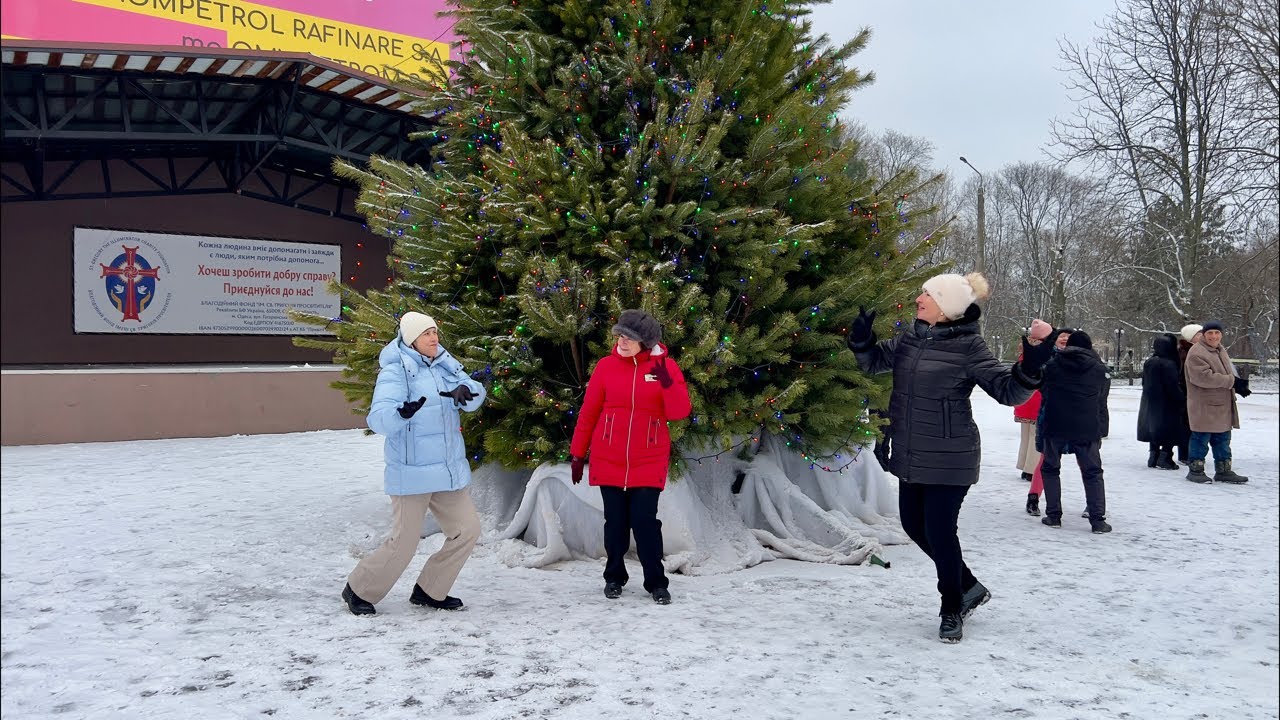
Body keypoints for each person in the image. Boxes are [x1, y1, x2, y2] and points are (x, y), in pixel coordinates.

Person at [847, 272, 1043, 643]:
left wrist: (1029, 371)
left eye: (928, 295)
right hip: (911, 451)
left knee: (939, 530)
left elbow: (1006, 390)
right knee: (913, 526)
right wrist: (861, 341)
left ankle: (952, 607)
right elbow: (873, 363)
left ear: (947, 308)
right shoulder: (910, 338)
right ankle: (968, 584)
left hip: (951, 456)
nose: (919, 298)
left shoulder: (969, 347)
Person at [341, 311, 487, 616]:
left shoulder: (445, 364)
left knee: (467, 530)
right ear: (411, 339)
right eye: (426, 334)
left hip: (446, 471)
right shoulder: (396, 371)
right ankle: (359, 588)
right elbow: (378, 417)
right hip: (412, 472)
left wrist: (467, 392)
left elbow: (475, 395)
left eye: (435, 332)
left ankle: (430, 590)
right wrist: (401, 413)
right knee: (403, 544)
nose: (434, 338)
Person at [569, 309, 692, 604]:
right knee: (615, 523)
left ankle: (656, 582)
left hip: (648, 460)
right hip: (608, 458)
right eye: (620, 335)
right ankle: (614, 576)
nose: (622, 341)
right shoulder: (606, 367)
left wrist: (664, 379)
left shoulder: (665, 367)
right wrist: (577, 453)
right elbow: (589, 413)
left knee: (645, 521)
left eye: (630, 337)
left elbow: (679, 412)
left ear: (646, 342)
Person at [1036, 330, 1112, 534]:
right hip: (1086, 426)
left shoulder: (1053, 365)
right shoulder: (1097, 368)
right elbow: (1101, 398)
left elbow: (1042, 388)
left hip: (1056, 423)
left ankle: (1053, 515)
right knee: (1092, 472)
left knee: (1051, 469)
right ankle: (1097, 520)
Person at [1184, 321, 1249, 484]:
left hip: (1222, 405)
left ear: (1221, 334)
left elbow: (1225, 372)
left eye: (1217, 333)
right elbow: (1202, 377)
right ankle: (1196, 470)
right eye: (1210, 333)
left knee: (1223, 439)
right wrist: (1231, 381)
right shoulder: (1197, 352)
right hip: (1204, 405)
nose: (1214, 336)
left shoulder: (1219, 350)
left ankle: (1224, 470)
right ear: (1204, 335)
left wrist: (1238, 385)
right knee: (1201, 438)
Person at [1015, 319, 1054, 516]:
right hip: (1036, 400)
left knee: (1026, 436)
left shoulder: (1025, 350)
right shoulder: (1043, 354)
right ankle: (1030, 468)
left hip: (1024, 400)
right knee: (1034, 439)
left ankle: (1024, 465)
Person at [1137, 334, 1187, 471]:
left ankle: (1153, 456)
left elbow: (1144, 382)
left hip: (1150, 401)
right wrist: (1181, 397)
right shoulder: (1169, 363)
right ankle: (1165, 458)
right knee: (1169, 429)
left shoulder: (1150, 361)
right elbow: (1172, 386)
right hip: (1167, 402)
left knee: (1154, 428)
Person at [1174, 324, 1203, 464]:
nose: (1202, 336)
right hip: (1186, 393)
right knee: (1187, 424)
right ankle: (1185, 454)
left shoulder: (1197, 350)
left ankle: (1189, 453)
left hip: (1193, 393)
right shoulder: (1185, 352)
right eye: (1198, 334)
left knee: (1192, 424)